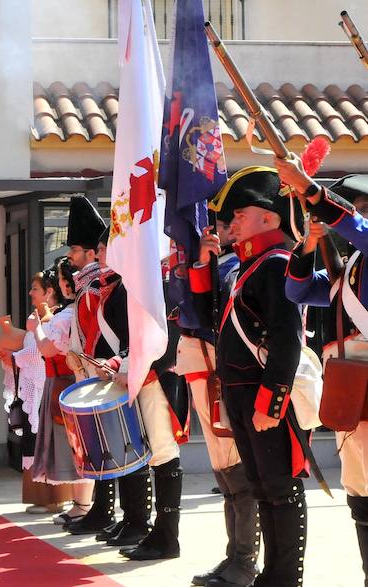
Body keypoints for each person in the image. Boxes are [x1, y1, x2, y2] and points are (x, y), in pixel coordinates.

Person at [191, 166, 309, 587]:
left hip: (263, 395)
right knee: (260, 487)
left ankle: (283, 579)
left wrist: (271, 401)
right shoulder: (246, 266)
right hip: (242, 395)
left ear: (270, 218)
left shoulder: (276, 265)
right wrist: (203, 268)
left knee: (279, 488)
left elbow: (287, 340)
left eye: (240, 213)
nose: (232, 223)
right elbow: (210, 320)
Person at [279, 157, 368, 587]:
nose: (355, 215)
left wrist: (310, 190)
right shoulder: (346, 271)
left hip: (362, 387)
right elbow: (295, 288)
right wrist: (310, 243)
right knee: (360, 492)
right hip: (350, 392)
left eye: (361, 208)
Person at [89, 228, 184, 561]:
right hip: (140, 376)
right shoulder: (136, 284)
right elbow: (133, 342)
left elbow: (163, 341)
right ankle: (155, 531)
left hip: (158, 378)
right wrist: (116, 362)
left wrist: (127, 365)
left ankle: (166, 535)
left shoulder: (159, 284)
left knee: (162, 453)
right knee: (152, 454)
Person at [175, 222, 260, 587]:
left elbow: (210, 314)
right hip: (207, 368)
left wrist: (205, 266)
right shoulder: (222, 264)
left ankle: (244, 561)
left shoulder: (241, 266)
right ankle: (234, 557)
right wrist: (197, 266)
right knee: (225, 473)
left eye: (227, 223)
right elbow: (188, 310)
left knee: (238, 473)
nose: (225, 229)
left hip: (229, 373)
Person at [59, 195, 118, 537]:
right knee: (98, 446)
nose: (71, 258)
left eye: (75, 251)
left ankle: (104, 510)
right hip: (91, 369)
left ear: (89, 252)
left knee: (106, 446)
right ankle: (100, 509)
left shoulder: (97, 284)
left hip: (101, 370)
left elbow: (98, 332)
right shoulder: (89, 284)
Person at [0, 269, 72, 516]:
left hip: (49, 386)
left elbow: (41, 353)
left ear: (49, 292)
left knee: (47, 442)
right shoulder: (37, 319)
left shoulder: (57, 317)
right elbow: (30, 351)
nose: (31, 293)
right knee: (33, 442)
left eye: (35, 289)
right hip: (35, 387)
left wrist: (14, 356)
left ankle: (55, 498)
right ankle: (40, 496)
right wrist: (9, 356)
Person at [24, 259, 96, 523]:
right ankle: (81, 505)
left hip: (66, 380)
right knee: (73, 445)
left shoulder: (65, 315)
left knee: (77, 445)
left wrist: (38, 329)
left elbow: (49, 350)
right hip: (60, 381)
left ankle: (83, 505)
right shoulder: (67, 313)